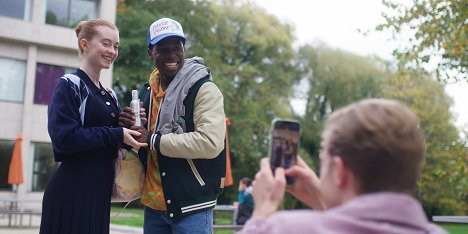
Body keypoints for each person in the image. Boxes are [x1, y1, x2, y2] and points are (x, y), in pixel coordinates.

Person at [239, 99, 448, 234]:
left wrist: (262, 214)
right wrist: (325, 201)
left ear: (339, 171)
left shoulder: (286, 229)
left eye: (323, 157)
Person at [120, 17, 226, 233]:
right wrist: (128, 130)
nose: (171, 55)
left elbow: (210, 143)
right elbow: (141, 146)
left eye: (176, 47)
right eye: (162, 48)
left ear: (184, 49)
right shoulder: (144, 93)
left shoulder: (204, 89)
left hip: (192, 205)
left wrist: (152, 139)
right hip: (153, 206)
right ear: (150, 52)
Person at [40, 19, 147, 234]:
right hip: (71, 193)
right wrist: (117, 133)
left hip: (99, 195)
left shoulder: (110, 95)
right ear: (85, 44)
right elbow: (65, 140)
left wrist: (132, 129)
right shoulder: (70, 84)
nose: (112, 51)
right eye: (106, 43)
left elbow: (113, 148)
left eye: (116, 46)